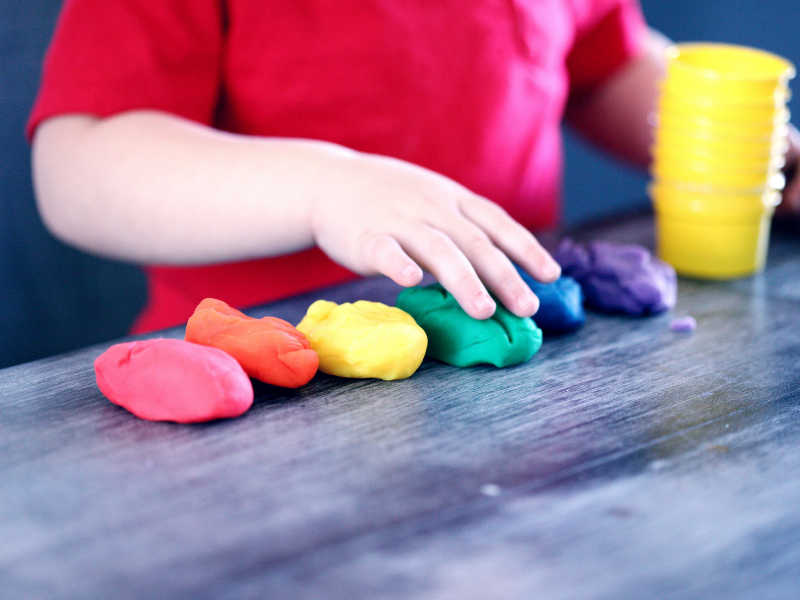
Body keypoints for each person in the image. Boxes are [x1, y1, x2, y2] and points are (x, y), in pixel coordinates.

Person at [27, 0, 799, 333]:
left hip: (514, 361)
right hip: (261, 394)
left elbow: (601, 64)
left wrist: (747, 145)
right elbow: (81, 166)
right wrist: (326, 188)